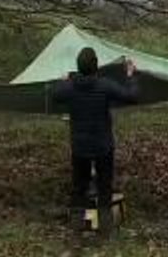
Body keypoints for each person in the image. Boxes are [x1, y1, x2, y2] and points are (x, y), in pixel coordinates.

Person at [51, 47, 139, 235]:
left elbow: (55, 95)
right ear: (96, 66)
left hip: (80, 146)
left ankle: (76, 231)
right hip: (102, 146)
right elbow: (132, 96)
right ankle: (106, 231)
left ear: (78, 67)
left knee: (79, 188)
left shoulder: (70, 87)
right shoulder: (104, 85)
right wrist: (130, 75)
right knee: (104, 187)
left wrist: (64, 79)